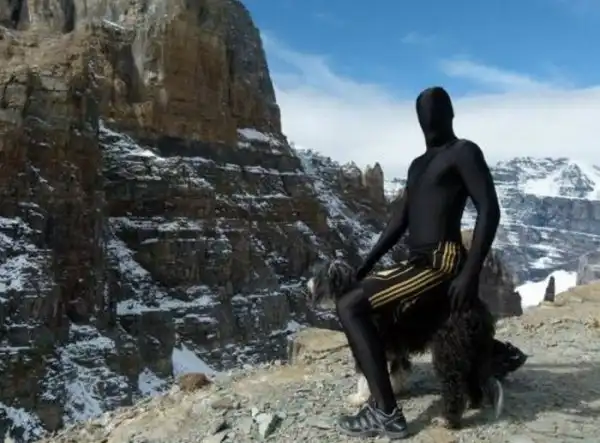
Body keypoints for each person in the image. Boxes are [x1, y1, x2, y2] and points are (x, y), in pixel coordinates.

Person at [334, 86, 503, 439]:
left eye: (436, 108)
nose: (429, 115)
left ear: (451, 113)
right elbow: (399, 221)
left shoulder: (463, 152)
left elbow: (489, 208)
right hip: (417, 263)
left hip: (442, 260)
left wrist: (470, 272)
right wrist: (365, 265)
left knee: (350, 305)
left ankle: (386, 412)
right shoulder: (417, 165)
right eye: (423, 111)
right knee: (358, 300)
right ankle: (391, 391)